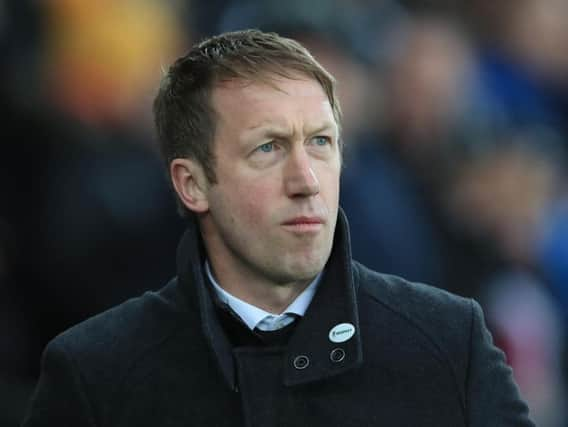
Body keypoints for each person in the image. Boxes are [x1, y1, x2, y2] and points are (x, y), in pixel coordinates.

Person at [22, 29, 534, 426]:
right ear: (192, 184)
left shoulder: (449, 341)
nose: (306, 181)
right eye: (268, 148)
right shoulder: (96, 373)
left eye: (321, 143)